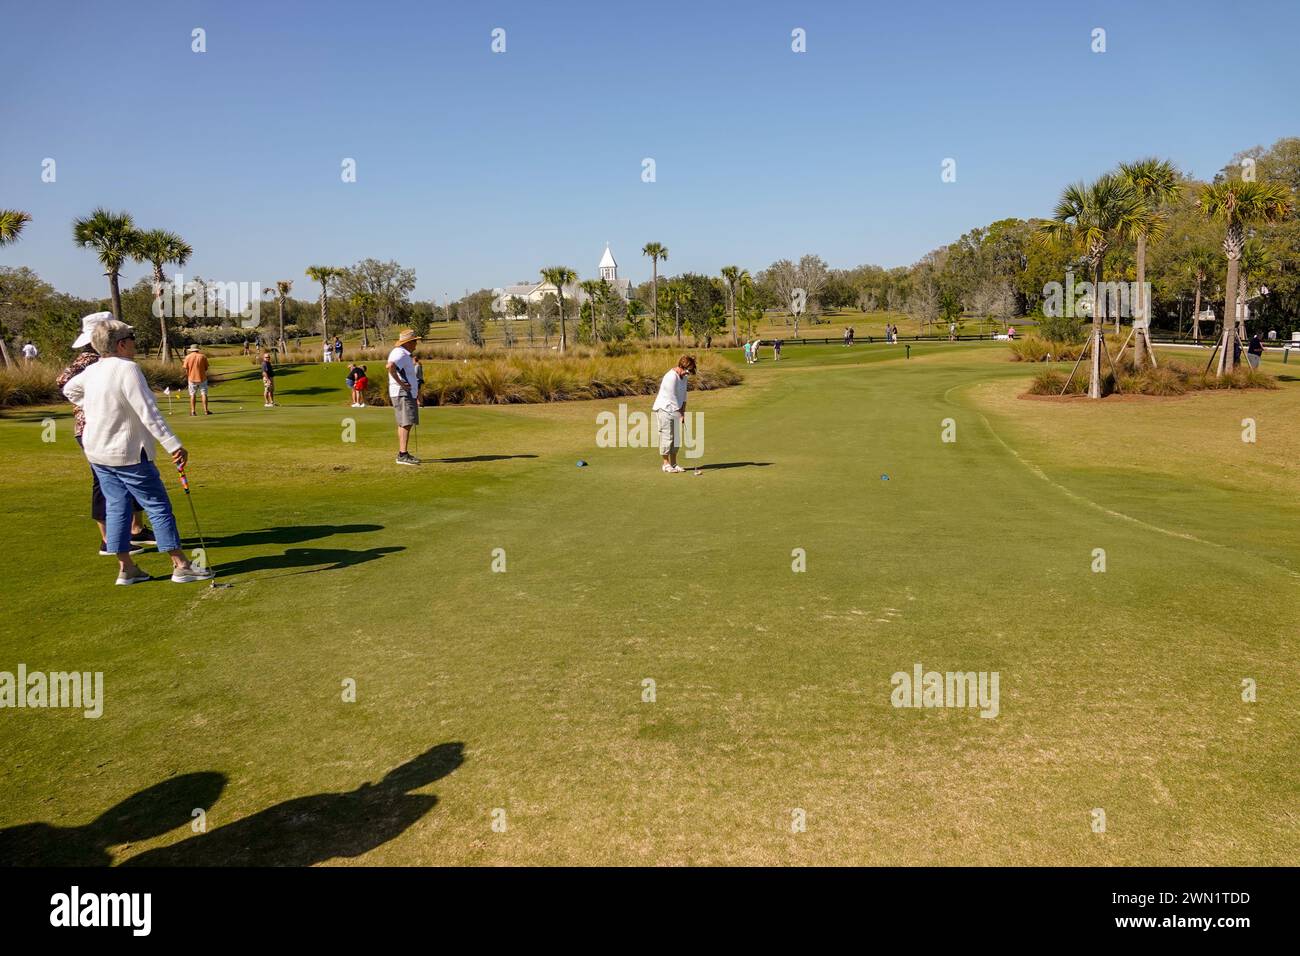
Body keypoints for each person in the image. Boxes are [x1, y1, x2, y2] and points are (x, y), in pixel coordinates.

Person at [61, 320, 213, 586]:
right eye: (131, 337)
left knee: (118, 507)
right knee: (157, 505)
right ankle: (181, 565)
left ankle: (127, 569)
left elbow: (69, 389)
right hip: (128, 453)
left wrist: (98, 405)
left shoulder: (93, 370)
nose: (134, 341)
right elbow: (148, 412)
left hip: (97, 452)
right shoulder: (128, 369)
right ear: (121, 344)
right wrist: (173, 444)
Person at [57, 312, 154, 556]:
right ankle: (109, 540)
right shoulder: (89, 360)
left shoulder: (108, 359)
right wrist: (88, 402)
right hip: (95, 430)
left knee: (126, 476)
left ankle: (135, 529)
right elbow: (64, 382)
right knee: (105, 484)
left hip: (114, 428)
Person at [652, 354, 695, 473]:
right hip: (664, 409)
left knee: (676, 438)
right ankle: (666, 464)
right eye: (688, 370)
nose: (689, 373)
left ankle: (674, 463)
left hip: (675, 409)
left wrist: (683, 412)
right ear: (682, 366)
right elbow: (672, 398)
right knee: (667, 436)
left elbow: (684, 396)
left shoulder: (684, 377)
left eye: (690, 371)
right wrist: (679, 414)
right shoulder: (671, 377)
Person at [387, 329, 422, 465]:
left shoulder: (402, 353)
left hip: (403, 392)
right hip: (403, 393)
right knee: (406, 422)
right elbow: (390, 366)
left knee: (403, 422)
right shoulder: (400, 353)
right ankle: (403, 454)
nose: (415, 344)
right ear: (407, 342)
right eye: (414, 341)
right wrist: (402, 383)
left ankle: (403, 453)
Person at [181, 344, 211, 416]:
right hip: (202, 378)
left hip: (191, 378)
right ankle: (206, 410)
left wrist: (188, 375)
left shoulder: (187, 357)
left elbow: (186, 368)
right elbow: (206, 368)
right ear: (197, 349)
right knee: (204, 393)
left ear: (191, 350)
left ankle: (193, 411)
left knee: (192, 394)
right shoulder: (203, 356)